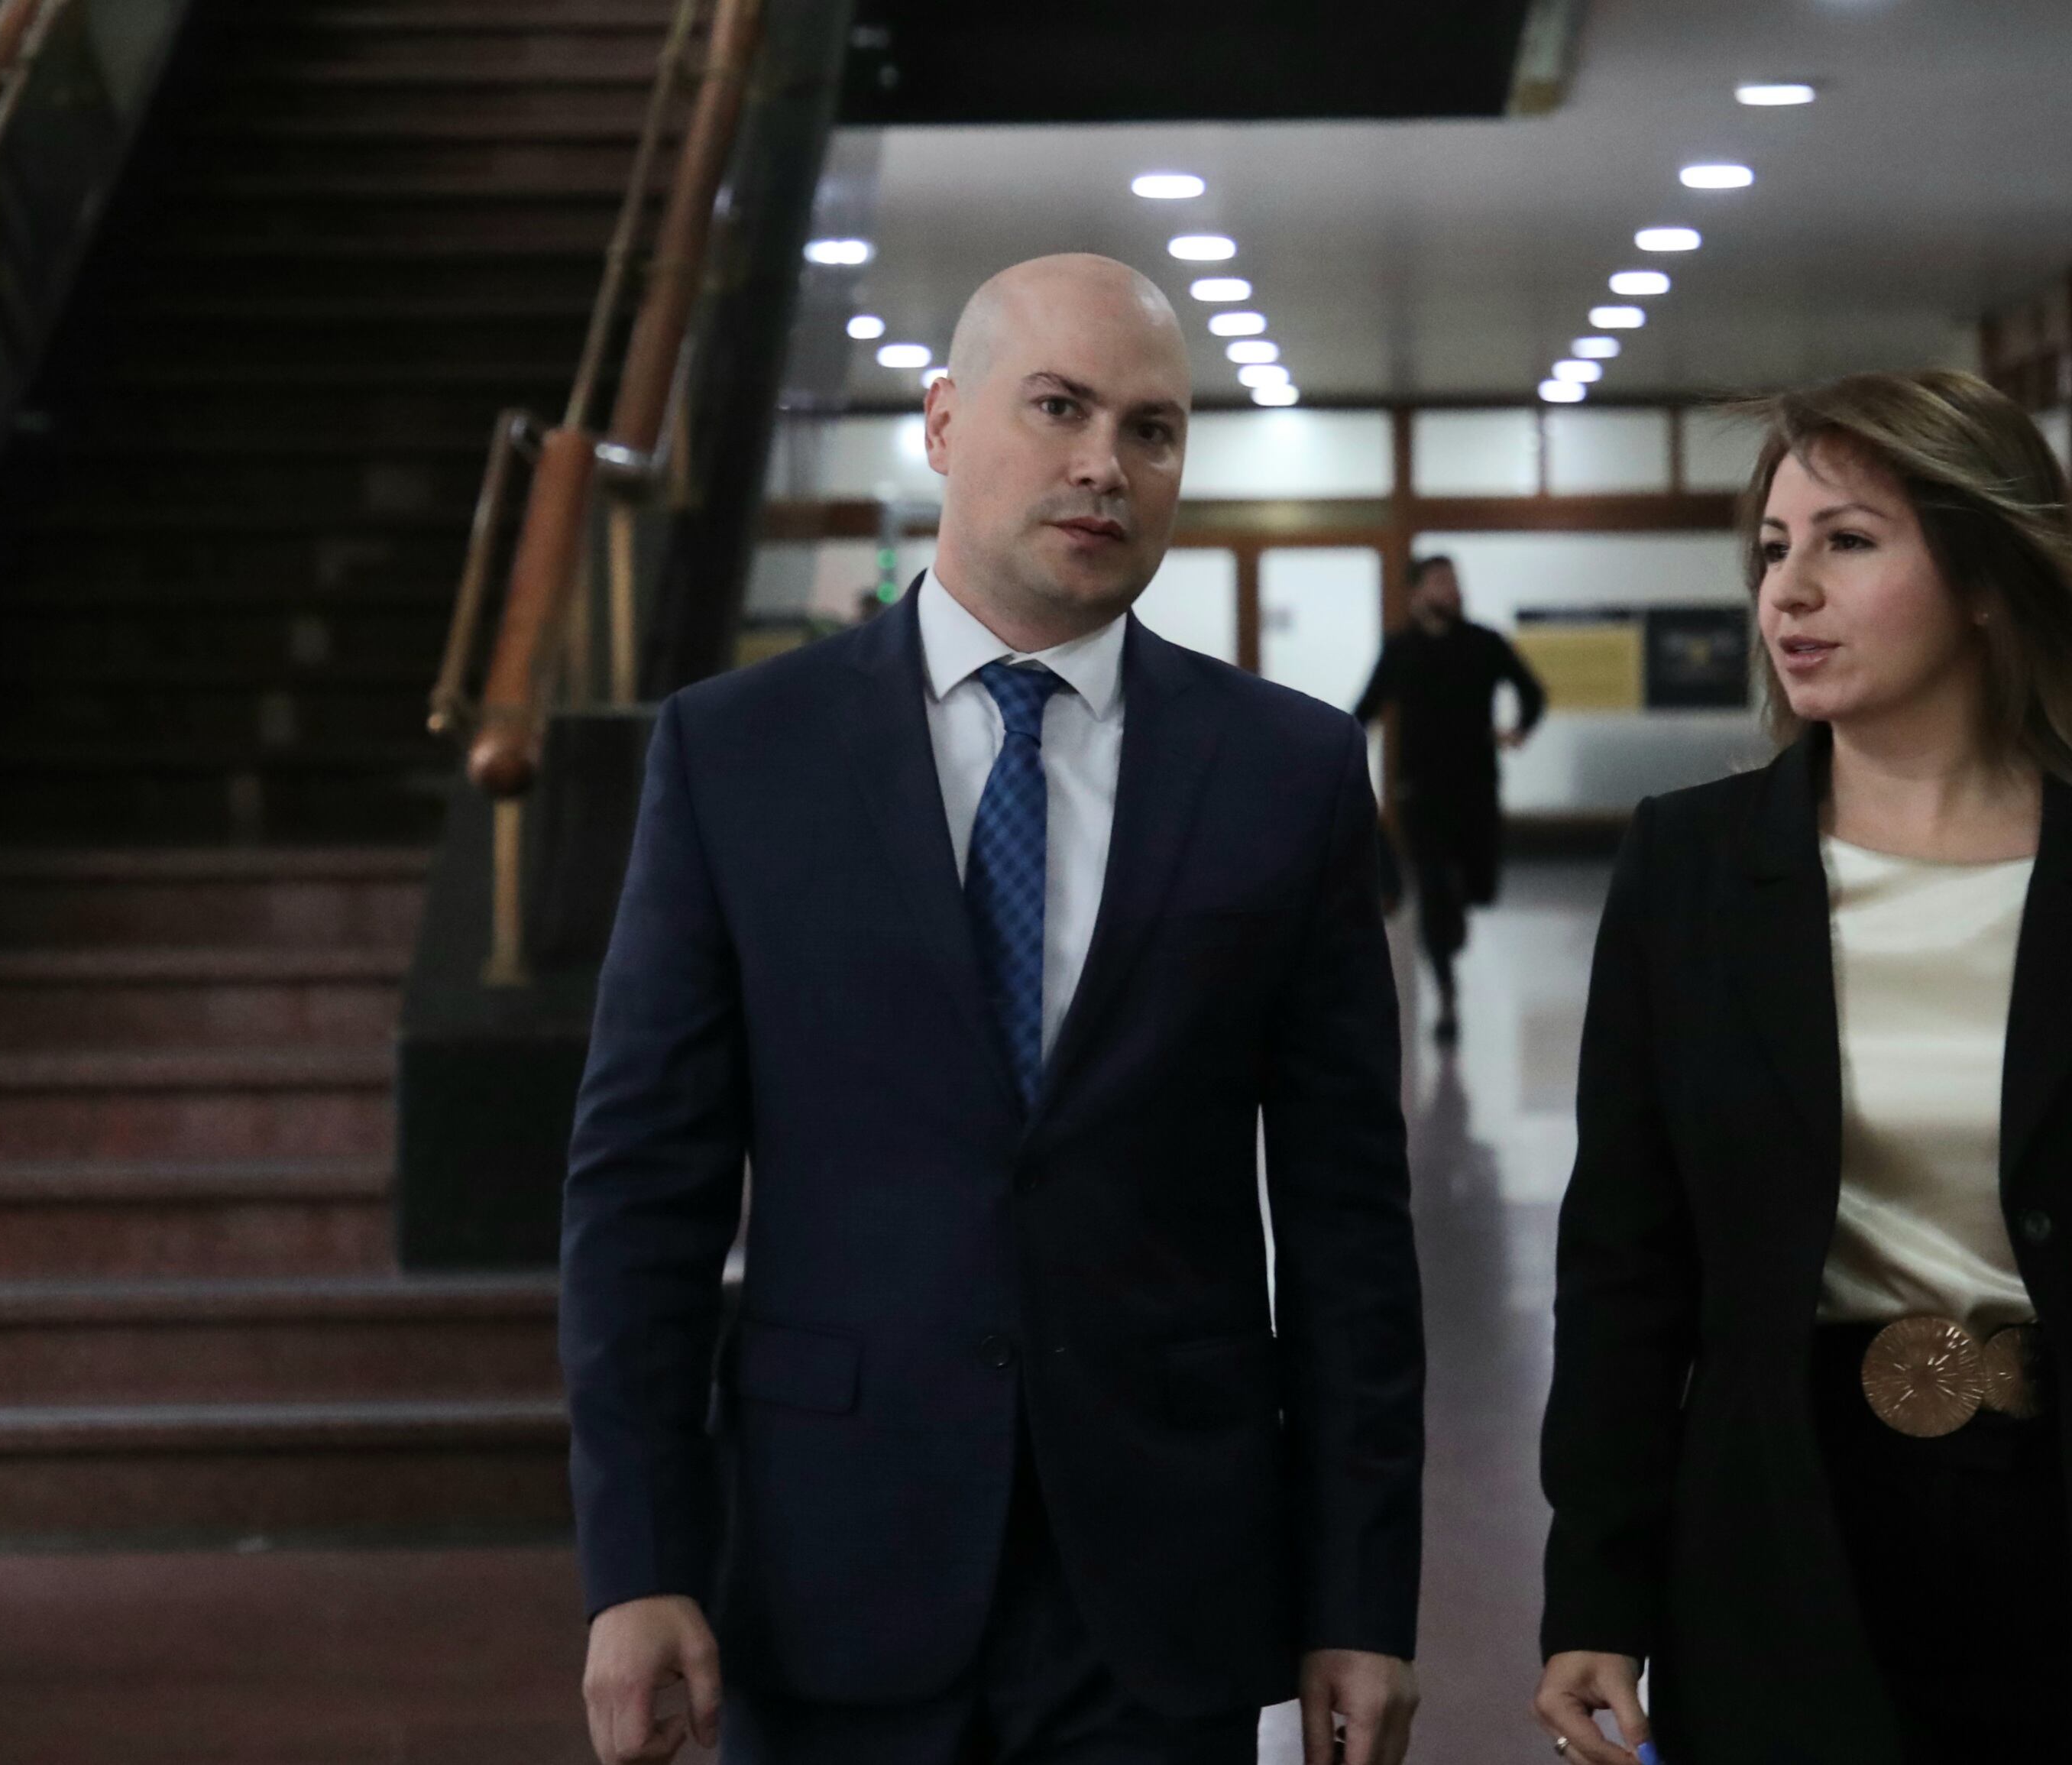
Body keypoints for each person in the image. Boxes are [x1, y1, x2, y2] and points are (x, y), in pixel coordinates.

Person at [562, 254, 1426, 1765]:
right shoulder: (738, 756)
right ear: (947, 424)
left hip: (1165, 1581)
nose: (1106, 462)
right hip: (833, 1563)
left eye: (1152, 430)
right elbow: (644, 1185)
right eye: (1059, 407)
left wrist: (1362, 1592)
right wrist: (638, 1562)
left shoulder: (1283, 775)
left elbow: (1350, 1220)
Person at [1532, 370, 2072, 1765]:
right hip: (1789, 1527)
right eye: (1773, 549)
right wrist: (1594, 1594)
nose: (1788, 591)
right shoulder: (1690, 867)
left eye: (1848, 542)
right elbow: (1625, 1267)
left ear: (1985, 574)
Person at [1353, 556, 1546, 1044]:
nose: (1452, 590)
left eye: (1456, 582)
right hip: (1419, 794)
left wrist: (1519, 730)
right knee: (1435, 890)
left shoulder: (1484, 643)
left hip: (1477, 789)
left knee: (1478, 888)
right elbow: (1367, 709)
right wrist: (1340, 754)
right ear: (1417, 592)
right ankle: (1446, 994)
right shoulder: (1400, 650)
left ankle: (1452, 922)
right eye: (1441, 582)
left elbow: (1532, 691)